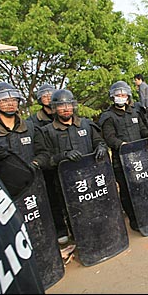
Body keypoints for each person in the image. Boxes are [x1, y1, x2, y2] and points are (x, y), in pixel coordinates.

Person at [34, 88, 108, 243]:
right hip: (66, 184)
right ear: (54, 108)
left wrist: (101, 147)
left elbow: (99, 141)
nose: (66, 108)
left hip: (92, 178)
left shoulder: (86, 124)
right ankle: (83, 241)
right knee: (75, 214)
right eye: (61, 105)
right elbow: (46, 160)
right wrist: (63, 156)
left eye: (69, 105)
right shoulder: (46, 132)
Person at [98, 81, 148, 231]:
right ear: (112, 97)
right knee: (126, 190)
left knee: (144, 186)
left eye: (123, 94)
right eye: (118, 95)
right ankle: (134, 219)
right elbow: (109, 138)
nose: (121, 97)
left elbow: (143, 129)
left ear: (128, 96)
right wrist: (123, 145)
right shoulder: (108, 116)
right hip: (122, 160)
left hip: (140, 157)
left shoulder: (134, 112)